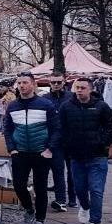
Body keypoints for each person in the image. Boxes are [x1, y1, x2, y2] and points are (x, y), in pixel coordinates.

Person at [59, 77, 112, 224]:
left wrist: (103, 142)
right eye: (77, 87)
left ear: (90, 89)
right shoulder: (66, 107)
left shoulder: (101, 106)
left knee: (96, 190)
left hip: (97, 156)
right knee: (80, 189)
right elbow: (61, 127)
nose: (79, 90)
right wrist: (67, 143)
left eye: (83, 87)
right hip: (76, 156)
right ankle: (84, 206)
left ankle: (95, 223)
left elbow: (111, 125)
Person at [5, 70, 60, 224]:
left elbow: (56, 129)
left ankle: (40, 220)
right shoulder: (13, 106)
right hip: (20, 153)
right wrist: (11, 148)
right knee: (18, 185)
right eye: (19, 83)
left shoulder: (46, 105)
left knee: (41, 188)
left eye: (25, 83)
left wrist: (49, 149)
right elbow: (7, 129)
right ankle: (29, 210)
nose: (21, 86)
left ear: (33, 84)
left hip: (41, 153)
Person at [45, 72, 74, 212]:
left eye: (59, 82)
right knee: (58, 171)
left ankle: (73, 199)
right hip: (54, 141)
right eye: (53, 82)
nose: (56, 85)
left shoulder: (72, 97)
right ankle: (61, 200)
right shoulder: (45, 99)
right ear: (49, 83)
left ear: (64, 82)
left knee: (73, 171)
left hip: (71, 140)